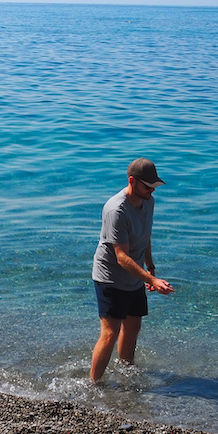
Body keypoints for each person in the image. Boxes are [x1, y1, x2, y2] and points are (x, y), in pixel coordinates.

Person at [90, 158, 174, 382]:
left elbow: (145, 236)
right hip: (110, 277)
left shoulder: (148, 202)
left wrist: (151, 269)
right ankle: (94, 384)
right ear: (132, 181)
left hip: (135, 275)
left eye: (154, 187)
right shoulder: (116, 210)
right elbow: (121, 257)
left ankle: (125, 373)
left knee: (133, 325)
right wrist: (151, 280)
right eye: (148, 187)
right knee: (110, 333)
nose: (152, 191)